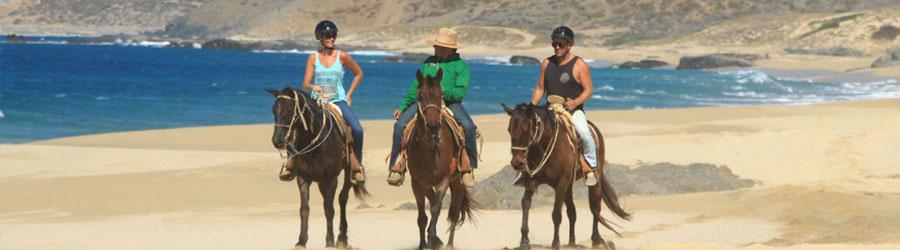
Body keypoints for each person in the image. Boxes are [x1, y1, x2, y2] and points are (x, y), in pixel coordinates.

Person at [386, 27, 478, 187]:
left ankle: (468, 167)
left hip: (449, 103)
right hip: (425, 102)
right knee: (400, 125)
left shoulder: (461, 66)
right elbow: (416, 87)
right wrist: (403, 106)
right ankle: (396, 166)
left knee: (469, 127)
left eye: (440, 46)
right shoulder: (428, 62)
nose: (436, 49)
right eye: (436, 46)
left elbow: (460, 92)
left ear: (451, 48)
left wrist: (441, 92)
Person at [527, 26, 599, 186]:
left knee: (584, 133)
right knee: (531, 132)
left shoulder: (579, 65)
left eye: (560, 44)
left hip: (572, 111)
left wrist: (576, 102)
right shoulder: (546, 63)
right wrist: (531, 106)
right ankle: (527, 171)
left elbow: (588, 90)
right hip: (550, 109)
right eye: (554, 44)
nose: (557, 47)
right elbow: (540, 88)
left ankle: (591, 168)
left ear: (569, 45)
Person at [302, 20, 366, 182]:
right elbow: (304, 85)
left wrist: (349, 94)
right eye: (327, 36)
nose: (331, 38)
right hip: (318, 102)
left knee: (357, 130)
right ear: (320, 38)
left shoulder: (342, 56)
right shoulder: (312, 58)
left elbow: (359, 73)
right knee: (297, 124)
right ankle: (290, 162)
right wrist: (312, 86)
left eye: (332, 35)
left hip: (337, 101)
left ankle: (356, 165)